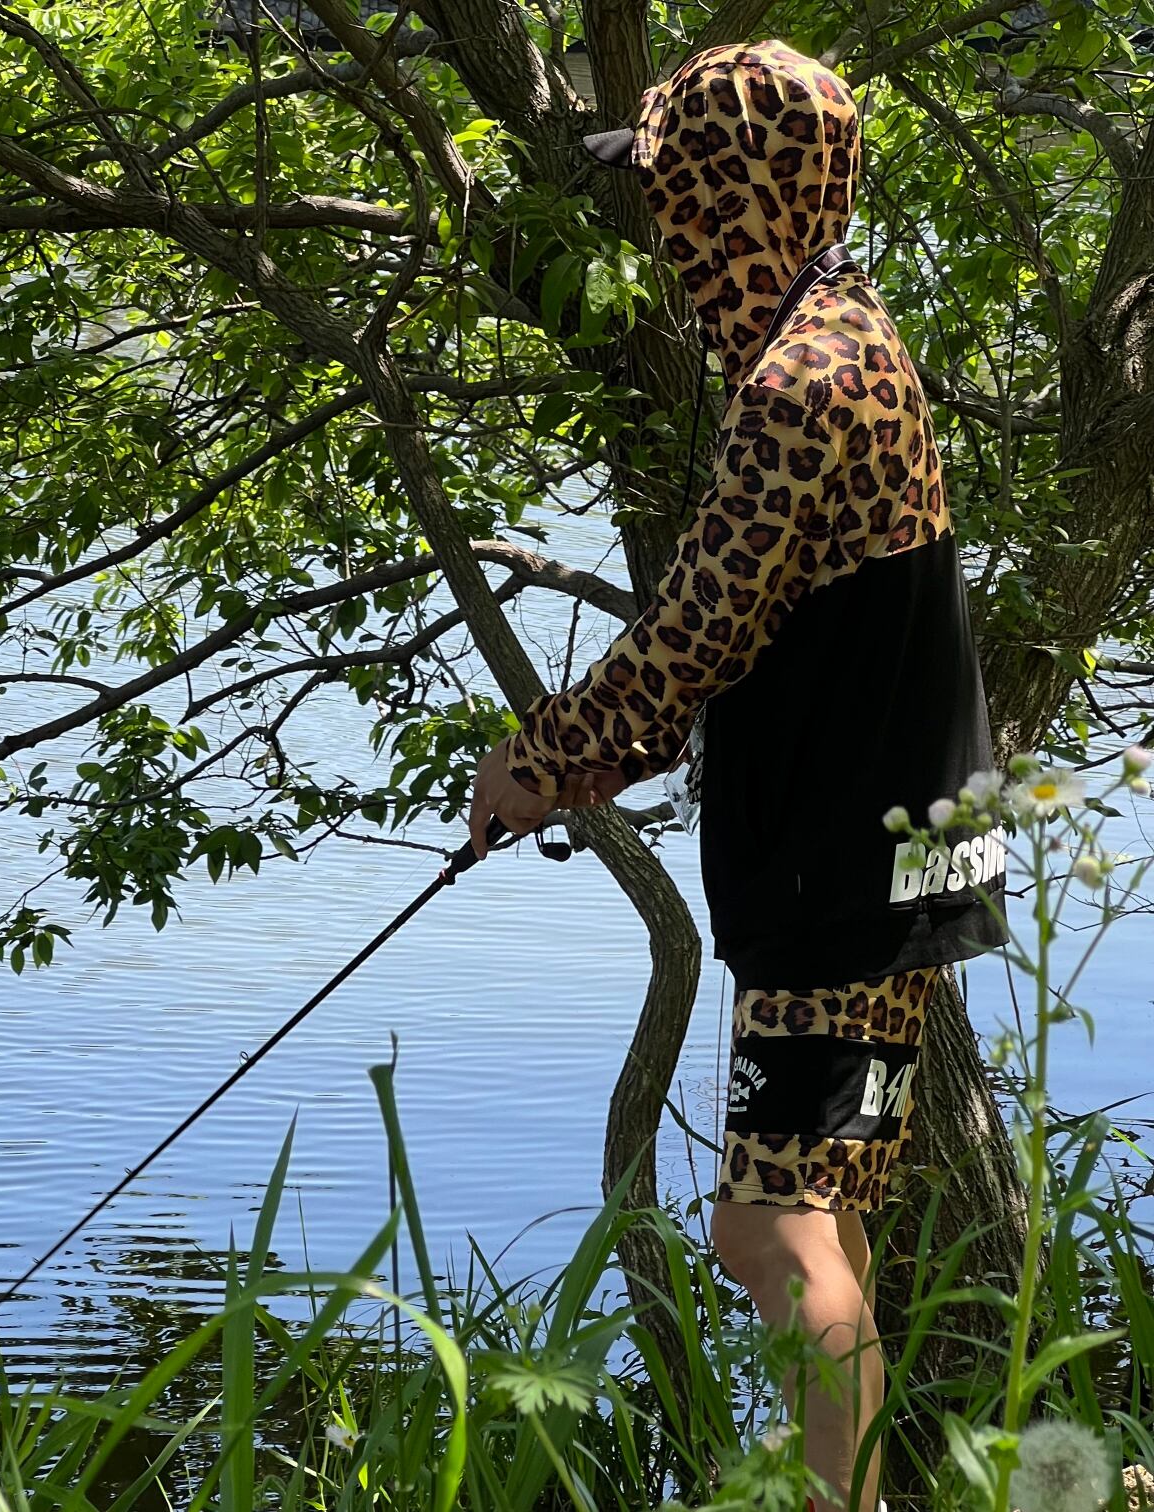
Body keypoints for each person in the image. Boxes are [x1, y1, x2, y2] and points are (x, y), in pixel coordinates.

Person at [465, 38, 1010, 1512]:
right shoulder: (852, 333)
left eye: (679, 190)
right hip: (900, 853)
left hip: (842, 870)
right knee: (820, 1215)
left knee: (769, 1231)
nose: (665, 228)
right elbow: (755, 624)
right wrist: (597, 757)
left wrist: (545, 759)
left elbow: (702, 628)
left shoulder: (798, 383)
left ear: (744, 192)